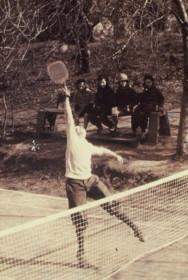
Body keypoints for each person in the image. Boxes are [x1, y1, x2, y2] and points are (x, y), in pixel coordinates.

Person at [61, 86, 144, 268]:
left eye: (79, 127)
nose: (77, 128)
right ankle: (81, 256)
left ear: (84, 132)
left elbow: (103, 150)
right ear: (74, 132)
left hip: (90, 180)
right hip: (75, 184)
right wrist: (67, 99)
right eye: (75, 128)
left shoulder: (88, 146)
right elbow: (68, 118)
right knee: (81, 221)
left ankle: (134, 227)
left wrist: (115, 155)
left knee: (112, 204)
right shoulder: (72, 140)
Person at [131, 74, 165, 140]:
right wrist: (135, 103)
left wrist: (160, 106)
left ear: (152, 82)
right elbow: (139, 99)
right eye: (146, 82)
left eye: (149, 82)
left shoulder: (156, 90)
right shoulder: (144, 90)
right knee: (135, 112)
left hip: (151, 106)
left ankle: (144, 130)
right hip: (143, 105)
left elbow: (162, 98)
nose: (148, 84)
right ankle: (134, 129)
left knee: (142, 114)